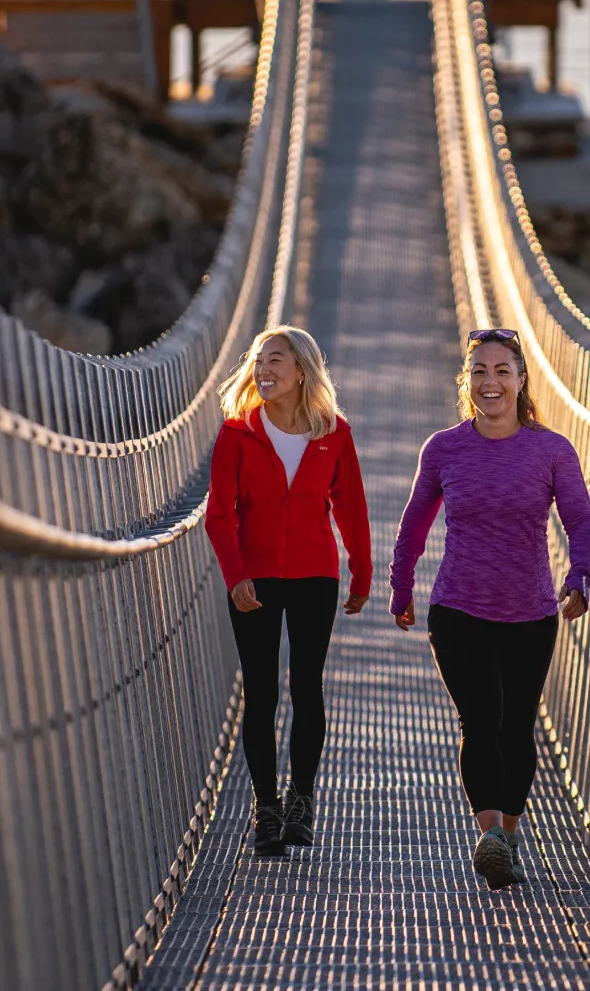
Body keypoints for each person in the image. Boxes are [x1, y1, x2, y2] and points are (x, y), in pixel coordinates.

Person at [389, 329, 590, 890]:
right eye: (479, 371)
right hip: (457, 609)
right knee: (480, 722)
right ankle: (489, 836)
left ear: (522, 380)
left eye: (502, 371)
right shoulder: (443, 448)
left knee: (517, 729)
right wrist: (401, 586)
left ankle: (506, 832)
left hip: (530, 613)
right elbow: (414, 523)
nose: (491, 382)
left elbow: (580, 521)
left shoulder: (552, 450)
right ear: (466, 381)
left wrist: (579, 577)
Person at [207, 325, 371, 857]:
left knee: (307, 687)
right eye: (258, 361)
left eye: (275, 360)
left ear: (302, 369)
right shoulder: (236, 433)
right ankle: (266, 806)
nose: (264, 370)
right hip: (253, 579)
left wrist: (362, 573)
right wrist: (235, 578)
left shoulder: (334, 432)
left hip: (314, 577)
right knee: (261, 693)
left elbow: (350, 508)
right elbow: (219, 516)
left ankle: (302, 802)